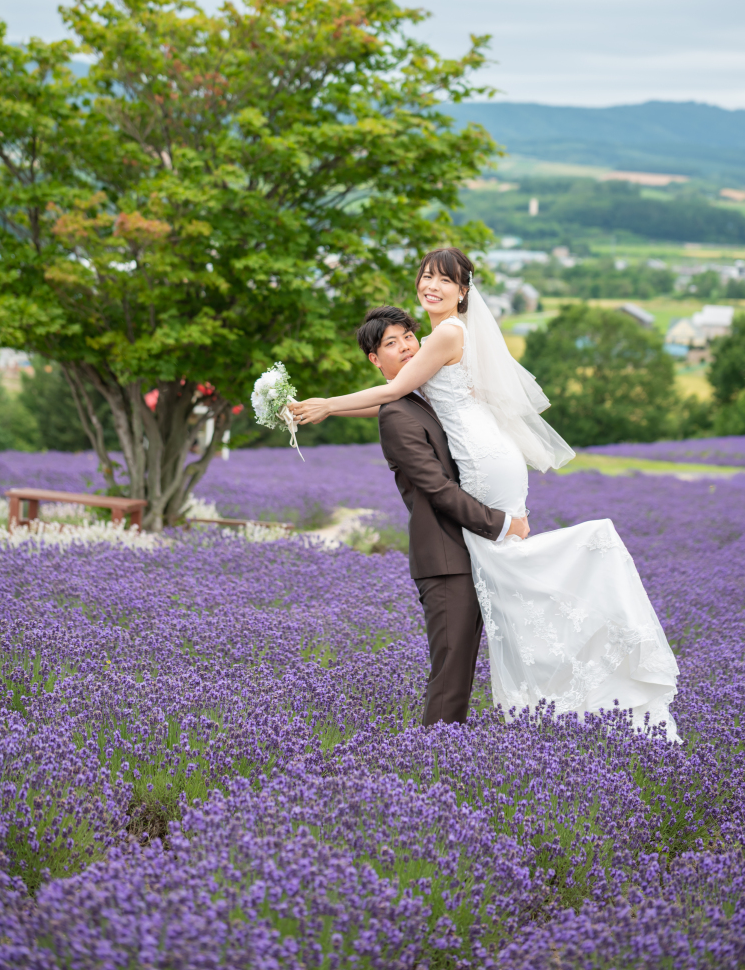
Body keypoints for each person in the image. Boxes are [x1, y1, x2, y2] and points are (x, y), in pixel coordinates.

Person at [291, 248, 680, 740]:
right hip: (490, 457)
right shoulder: (437, 340)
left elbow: (392, 393)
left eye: (444, 280)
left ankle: (585, 596)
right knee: (513, 583)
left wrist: (326, 404)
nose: (431, 285)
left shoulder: (448, 333)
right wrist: (332, 408)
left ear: (462, 290)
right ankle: (576, 679)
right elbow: (401, 397)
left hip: (481, 460)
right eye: (425, 276)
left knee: (504, 568)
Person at [351, 305, 529, 724]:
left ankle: (441, 759)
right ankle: (432, 766)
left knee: (461, 673)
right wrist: (503, 524)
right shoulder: (396, 414)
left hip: (468, 551)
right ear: (375, 360)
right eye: (390, 344)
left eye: (408, 337)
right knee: (450, 678)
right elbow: (437, 490)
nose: (406, 348)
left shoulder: (419, 396)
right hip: (446, 562)